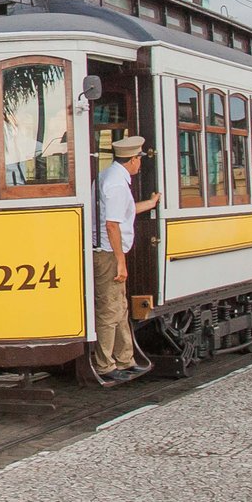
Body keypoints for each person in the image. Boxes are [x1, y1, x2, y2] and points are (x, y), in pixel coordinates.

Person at [94, 135, 161, 381]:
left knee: (120, 308)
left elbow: (126, 211)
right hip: (108, 254)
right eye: (139, 159)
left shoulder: (112, 178)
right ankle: (105, 365)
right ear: (132, 160)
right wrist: (121, 261)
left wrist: (151, 204)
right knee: (109, 310)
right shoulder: (116, 185)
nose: (140, 163)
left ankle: (124, 359)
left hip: (110, 252)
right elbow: (112, 225)